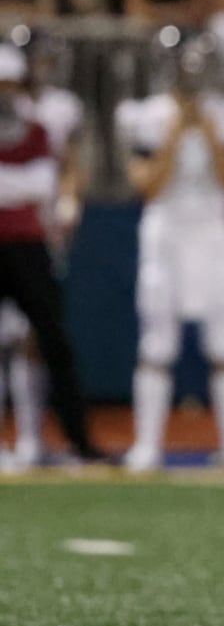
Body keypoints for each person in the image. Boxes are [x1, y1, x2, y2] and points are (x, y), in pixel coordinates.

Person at [120, 33, 224, 472]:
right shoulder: (147, 116)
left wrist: (211, 137)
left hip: (215, 231)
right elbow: (147, 184)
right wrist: (178, 133)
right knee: (157, 342)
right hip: (167, 233)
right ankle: (148, 446)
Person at [0, 43, 104, 467]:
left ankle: (69, 440)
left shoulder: (36, 128)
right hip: (20, 239)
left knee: (50, 343)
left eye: (10, 85)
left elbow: (43, 184)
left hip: (29, 244)